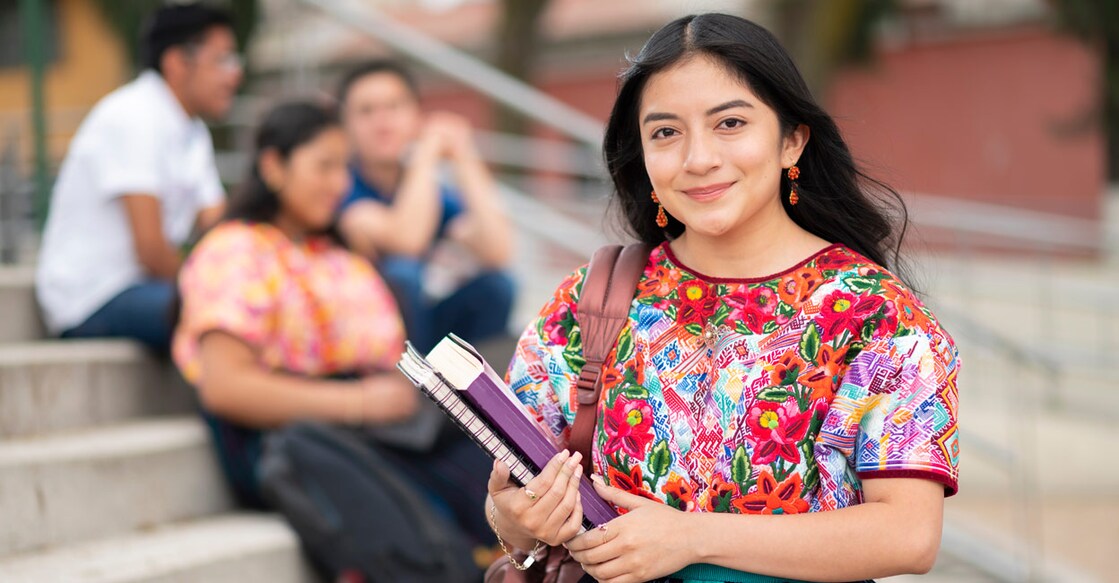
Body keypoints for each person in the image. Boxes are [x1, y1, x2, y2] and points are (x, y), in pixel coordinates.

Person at [485, 13, 960, 583]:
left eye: (729, 123)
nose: (698, 159)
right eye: (665, 132)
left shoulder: (878, 316)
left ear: (792, 141)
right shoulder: (589, 299)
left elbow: (908, 536)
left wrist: (692, 538)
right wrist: (514, 520)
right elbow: (512, 493)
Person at [172, 101, 494, 555]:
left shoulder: (334, 250)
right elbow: (225, 386)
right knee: (434, 516)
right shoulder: (235, 250)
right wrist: (359, 402)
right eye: (324, 166)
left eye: (344, 167)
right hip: (297, 437)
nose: (341, 184)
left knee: (489, 466)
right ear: (273, 166)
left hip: (377, 424)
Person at [35, 3, 242, 353]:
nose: (234, 75)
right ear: (177, 63)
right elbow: (151, 250)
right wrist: (216, 286)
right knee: (226, 313)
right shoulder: (133, 116)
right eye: (222, 59)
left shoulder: (191, 130)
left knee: (255, 303)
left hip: (145, 288)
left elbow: (220, 226)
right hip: (94, 297)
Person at [335, 60, 515, 353]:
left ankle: (476, 392)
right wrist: (426, 155)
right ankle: (408, 390)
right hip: (358, 334)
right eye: (366, 111)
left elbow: (497, 251)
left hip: (419, 330)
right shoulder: (339, 186)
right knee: (403, 274)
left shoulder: (425, 189)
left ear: (416, 115)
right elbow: (407, 240)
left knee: (497, 286)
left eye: (394, 107)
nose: (383, 122)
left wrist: (464, 157)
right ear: (345, 124)